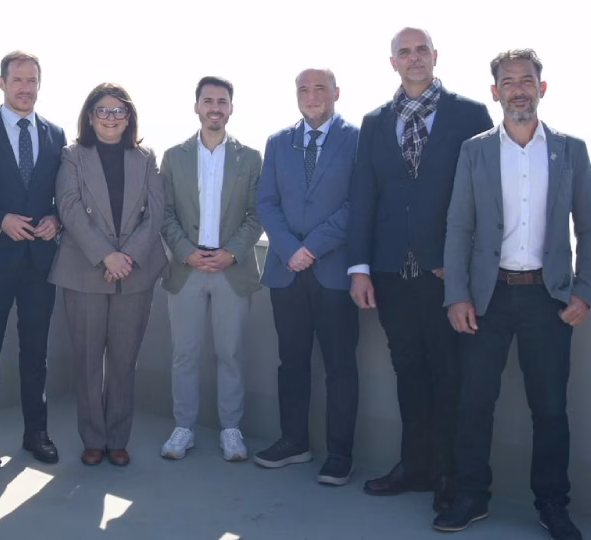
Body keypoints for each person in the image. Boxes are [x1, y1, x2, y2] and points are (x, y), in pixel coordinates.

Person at [435, 49, 591, 540]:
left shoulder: (571, 150)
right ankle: (471, 496)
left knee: (549, 409)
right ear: (495, 93)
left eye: (526, 80)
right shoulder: (475, 151)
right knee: (474, 402)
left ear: (541, 88)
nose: (518, 90)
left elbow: (590, 227)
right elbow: (459, 226)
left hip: (548, 300)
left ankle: (552, 504)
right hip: (487, 299)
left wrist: (586, 291)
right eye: (507, 82)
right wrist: (457, 296)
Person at [346, 27, 495, 511]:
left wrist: (461, 265)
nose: (414, 58)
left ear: (435, 56)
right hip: (390, 273)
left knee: (449, 373)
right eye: (404, 52)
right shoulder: (374, 121)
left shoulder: (469, 114)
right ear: (393, 62)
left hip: (444, 275)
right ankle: (414, 467)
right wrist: (360, 267)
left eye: (421, 50)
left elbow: (485, 196)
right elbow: (364, 196)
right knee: (407, 370)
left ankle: (448, 474)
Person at [253, 68, 362, 483]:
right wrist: (288, 249)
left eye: (320, 88)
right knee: (292, 362)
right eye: (304, 89)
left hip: (334, 272)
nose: (312, 96)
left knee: (340, 367)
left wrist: (312, 247)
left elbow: (357, 204)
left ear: (336, 92)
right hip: (286, 273)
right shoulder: (278, 142)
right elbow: (266, 201)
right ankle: (294, 442)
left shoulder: (357, 140)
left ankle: (339, 454)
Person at [50, 83, 168, 467]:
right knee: (87, 361)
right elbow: (68, 207)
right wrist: (106, 256)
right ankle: (92, 438)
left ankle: (117, 438)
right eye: (102, 110)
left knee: (123, 360)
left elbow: (156, 213)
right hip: (85, 270)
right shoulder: (72, 156)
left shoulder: (146, 158)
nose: (111, 118)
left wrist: (126, 257)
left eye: (119, 111)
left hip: (134, 272)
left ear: (129, 117)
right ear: (90, 116)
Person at [157, 76, 263, 462]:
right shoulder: (174, 156)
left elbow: (257, 214)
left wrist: (230, 253)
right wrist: (186, 252)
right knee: (184, 353)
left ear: (231, 108)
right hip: (186, 268)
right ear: (197, 106)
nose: (215, 107)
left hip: (230, 269)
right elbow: (165, 213)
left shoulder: (250, 158)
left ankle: (231, 430)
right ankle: (183, 428)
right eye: (208, 101)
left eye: (222, 101)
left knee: (230, 353)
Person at [0, 50, 67, 465]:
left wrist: (56, 220)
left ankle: (36, 433)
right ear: (2, 83)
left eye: (32, 80)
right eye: (17, 80)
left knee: (36, 353)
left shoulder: (55, 134)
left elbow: (63, 194)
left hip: (40, 264)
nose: (25, 88)